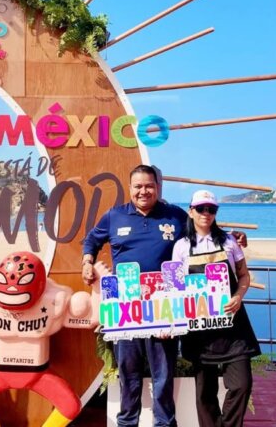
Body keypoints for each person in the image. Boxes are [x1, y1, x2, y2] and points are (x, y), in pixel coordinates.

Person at [0, 251, 108, 427]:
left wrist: (99, 288)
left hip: (37, 374)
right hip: (4, 372)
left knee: (70, 406)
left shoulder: (55, 301)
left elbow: (91, 318)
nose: (13, 291)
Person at [81, 165, 188, 427]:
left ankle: (164, 423)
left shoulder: (176, 215)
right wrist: (87, 261)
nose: (143, 191)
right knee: (128, 372)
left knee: (163, 372)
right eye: (138, 186)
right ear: (130, 188)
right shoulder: (114, 215)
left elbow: (202, 239)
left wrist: (232, 241)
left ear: (158, 187)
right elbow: (92, 240)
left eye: (149, 186)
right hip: (125, 307)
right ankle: (127, 422)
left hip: (163, 305)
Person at [172, 190, 260, 427]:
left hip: (233, 325)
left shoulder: (229, 241)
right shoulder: (181, 247)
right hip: (200, 328)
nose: (206, 213)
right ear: (191, 211)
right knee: (204, 392)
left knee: (242, 384)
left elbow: (243, 275)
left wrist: (239, 296)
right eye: (201, 208)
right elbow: (175, 286)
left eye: (211, 209)